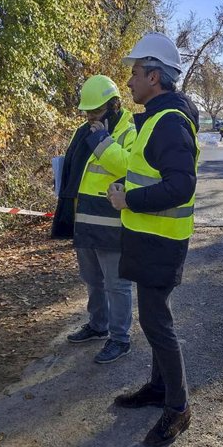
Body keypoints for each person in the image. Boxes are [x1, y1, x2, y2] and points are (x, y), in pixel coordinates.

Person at [107, 32, 199, 447]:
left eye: (135, 73)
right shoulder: (158, 118)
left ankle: (178, 409)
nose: (129, 81)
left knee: (156, 322)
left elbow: (181, 186)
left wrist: (128, 199)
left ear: (155, 77)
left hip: (161, 242)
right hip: (150, 238)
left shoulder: (169, 123)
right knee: (154, 319)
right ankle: (159, 389)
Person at [51, 75, 136, 363]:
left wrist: (102, 140)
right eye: (87, 112)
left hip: (112, 221)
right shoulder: (84, 131)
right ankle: (98, 326)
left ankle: (120, 339)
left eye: (95, 112)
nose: (90, 117)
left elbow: (128, 167)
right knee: (92, 280)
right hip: (85, 219)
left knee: (117, 283)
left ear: (113, 105)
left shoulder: (129, 130)